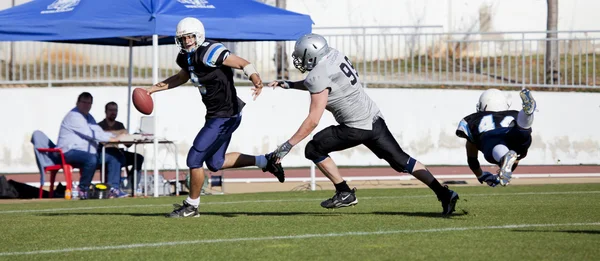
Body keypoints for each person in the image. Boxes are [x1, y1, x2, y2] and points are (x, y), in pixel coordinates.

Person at [267, 33, 459, 216]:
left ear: (311, 55)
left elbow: (313, 119)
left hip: (355, 127)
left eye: (301, 55)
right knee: (403, 161)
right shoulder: (334, 55)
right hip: (373, 118)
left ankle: (344, 192)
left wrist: (287, 146)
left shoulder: (317, 75)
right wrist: (291, 85)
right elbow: (320, 82)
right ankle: (444, 194)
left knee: (313, 148)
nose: (299, 59)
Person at [145, 17, 284, 218]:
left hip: (226, 115)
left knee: (194, 158)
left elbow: (243, 63)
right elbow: (180, 78)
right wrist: (151, 90)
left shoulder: (212, 51)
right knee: (215, 163)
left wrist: (256, 80)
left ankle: (191, 206)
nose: (187, 42)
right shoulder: (185, 57)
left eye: (190, 37)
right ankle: (266, 161)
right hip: (216, 115)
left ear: (199, 36)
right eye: (183, 38)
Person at [455, 88, 536, 186]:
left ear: (481, 105)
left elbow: (472, 159)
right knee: (520, 136)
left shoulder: (474, 119)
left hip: (491, 136)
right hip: (514, 131)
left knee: (493, 148)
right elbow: (514, 160)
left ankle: (503, 156)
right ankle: (526, 115)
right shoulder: (513, 114)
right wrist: (503, 172)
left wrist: (481, 175)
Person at [56, 92, 128, 199]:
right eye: (84, 102)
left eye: (89, 103)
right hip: (69, 152)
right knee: (91, 159)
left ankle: (113, 189)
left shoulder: (89, 117)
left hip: (88, 152)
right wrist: (112, 138)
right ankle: (83, 189)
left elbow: (98, 131)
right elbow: (90, 134)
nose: (86, 105)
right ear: (77, 103)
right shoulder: (74, 116)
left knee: (114, 154)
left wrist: (116, 136)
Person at [98, 101, 144, 190]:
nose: (113, 113)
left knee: (138, 158)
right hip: (105, 153)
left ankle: (131, 187)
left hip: (119, 152)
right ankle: (113, 187)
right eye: (111, 110)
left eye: (115, 110)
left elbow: (128, 144)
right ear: (106, 111)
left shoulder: (120, 125)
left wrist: (134, 137)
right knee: (116, 156)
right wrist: (117, 137)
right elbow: (101, 141)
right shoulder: (100, 126)